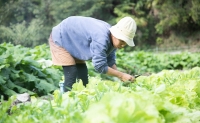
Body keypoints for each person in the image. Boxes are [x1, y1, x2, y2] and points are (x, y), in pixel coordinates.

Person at [49, 16, 137, 92]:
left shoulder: (113, 41)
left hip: (76, 40)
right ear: (114, 34)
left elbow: (110, 61)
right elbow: (99, 66)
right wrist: (121, 75)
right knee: (71, 73)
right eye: (122, 41)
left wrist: (121, 77)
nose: (123, 45)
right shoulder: (101, 38)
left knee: (82, 74)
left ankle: (81, 100)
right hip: (61, 36)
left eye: (125, 42)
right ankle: (65, 101)